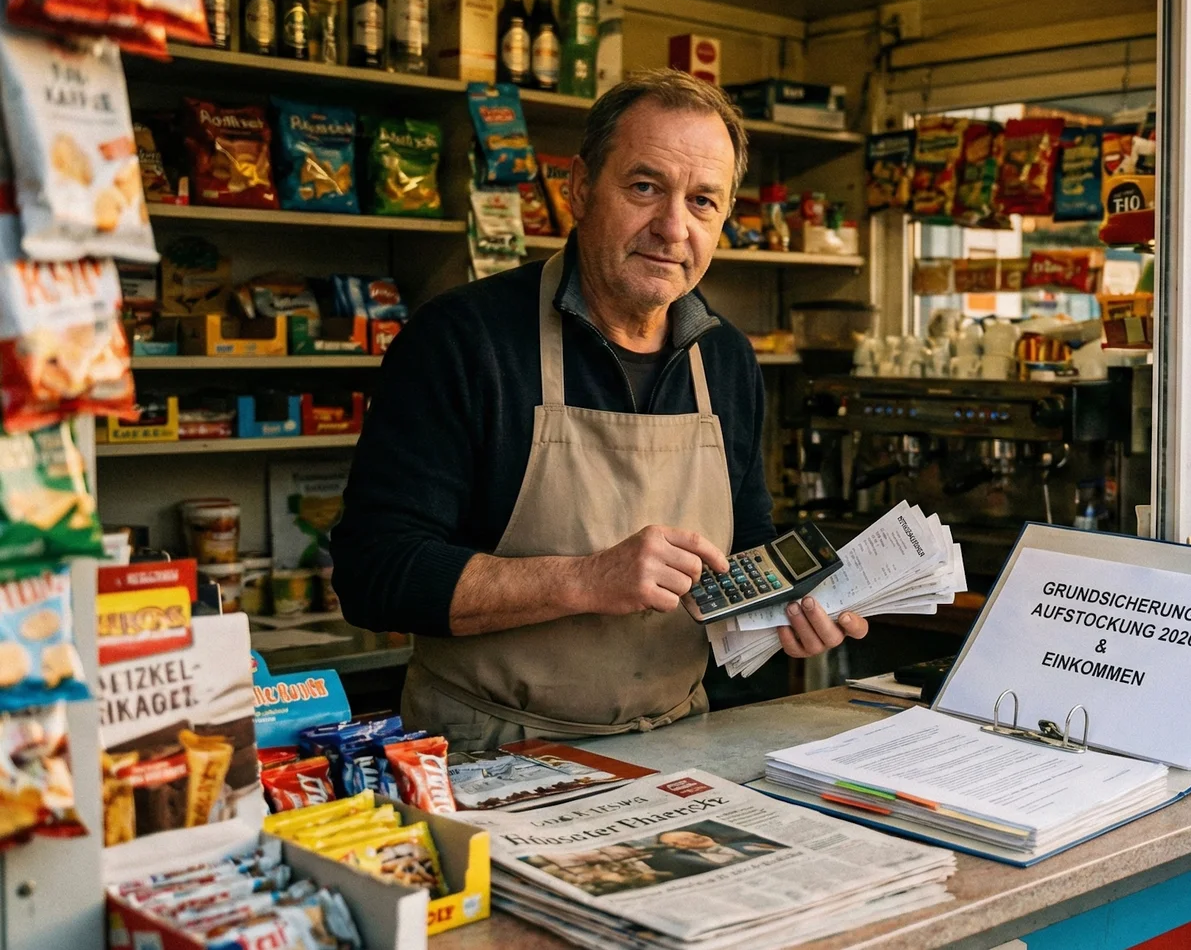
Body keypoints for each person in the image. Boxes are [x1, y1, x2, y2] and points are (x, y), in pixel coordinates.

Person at [331, 70, 867, 749]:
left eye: (702, 201)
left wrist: (789, 604)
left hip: (677, 742)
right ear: (581, 188)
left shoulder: (725, 358)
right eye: (645, 187)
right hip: (485, 747)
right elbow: (374, 574)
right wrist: (584, 579)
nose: (673, 227)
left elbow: (745, 543)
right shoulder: (462, 341)